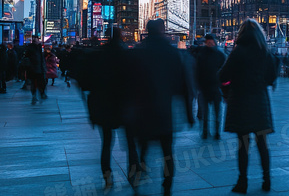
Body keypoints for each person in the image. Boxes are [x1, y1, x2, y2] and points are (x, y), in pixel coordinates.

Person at [123, 19, 194, 195]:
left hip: (141, 113)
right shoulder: (173, 53)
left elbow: (126, 84)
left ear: (147, 31)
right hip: (164, 112)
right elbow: (184, 86)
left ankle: (138, 174)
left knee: (142, 147)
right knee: (167, 153)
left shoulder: (137, 52)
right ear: (162, 31)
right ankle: (167, 184)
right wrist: (189, 114)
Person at [219, 19, 278, 193]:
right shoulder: (264, 52)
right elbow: (271, 77)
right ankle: (266, 179)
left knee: (243, 144)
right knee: (262, 143)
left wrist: (229, 89)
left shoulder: (238, 53)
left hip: (240, 102)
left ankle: (242, 181)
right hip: (259, 102)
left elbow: (222, 76)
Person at [79, 27, 132, 190]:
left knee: (107, 143)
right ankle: (134, 174)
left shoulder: (97, 55)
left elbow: (84, 81)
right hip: (124, 104)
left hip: (103, 106)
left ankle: (107, 176)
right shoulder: (127, 55)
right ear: (121, 36)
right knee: (131, 142)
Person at [195, 34, 227, 140]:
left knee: (216, 112)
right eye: (208, 42)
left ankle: (216, 132)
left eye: (211, 42)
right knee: (206, 113)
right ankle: (206, 132)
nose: (210, 44)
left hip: (215, 88)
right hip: (205, 88)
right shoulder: (203, 54)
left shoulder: (219, 55)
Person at [23, 38, 46, 104]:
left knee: (34, 83)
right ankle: (39, 95)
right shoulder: (37, 49)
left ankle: (35, 95)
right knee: (39, 83)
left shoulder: (31, 49)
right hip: (37, 69)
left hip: (33, 69)